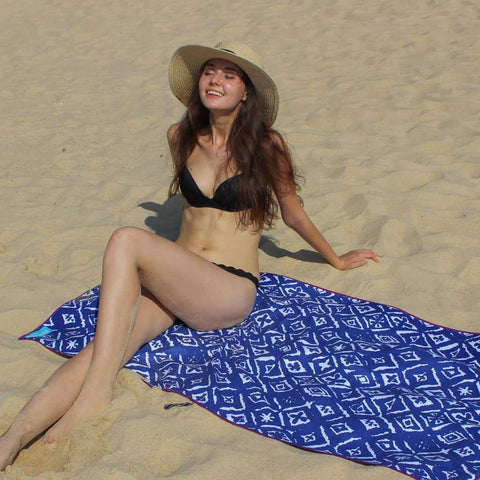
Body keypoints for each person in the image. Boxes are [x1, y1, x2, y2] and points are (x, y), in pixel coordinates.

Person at [0, 40, 379, 470]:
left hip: (228, 287)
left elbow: (292, 213)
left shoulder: (267, 146)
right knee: (103, 348)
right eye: (210, 71)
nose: (216, 80)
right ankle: (14, 439)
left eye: (229, 75)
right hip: (178, 282)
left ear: (246, 92)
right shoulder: (180, 136)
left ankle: (97, 393)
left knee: (126, 240)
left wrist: (335, 259)